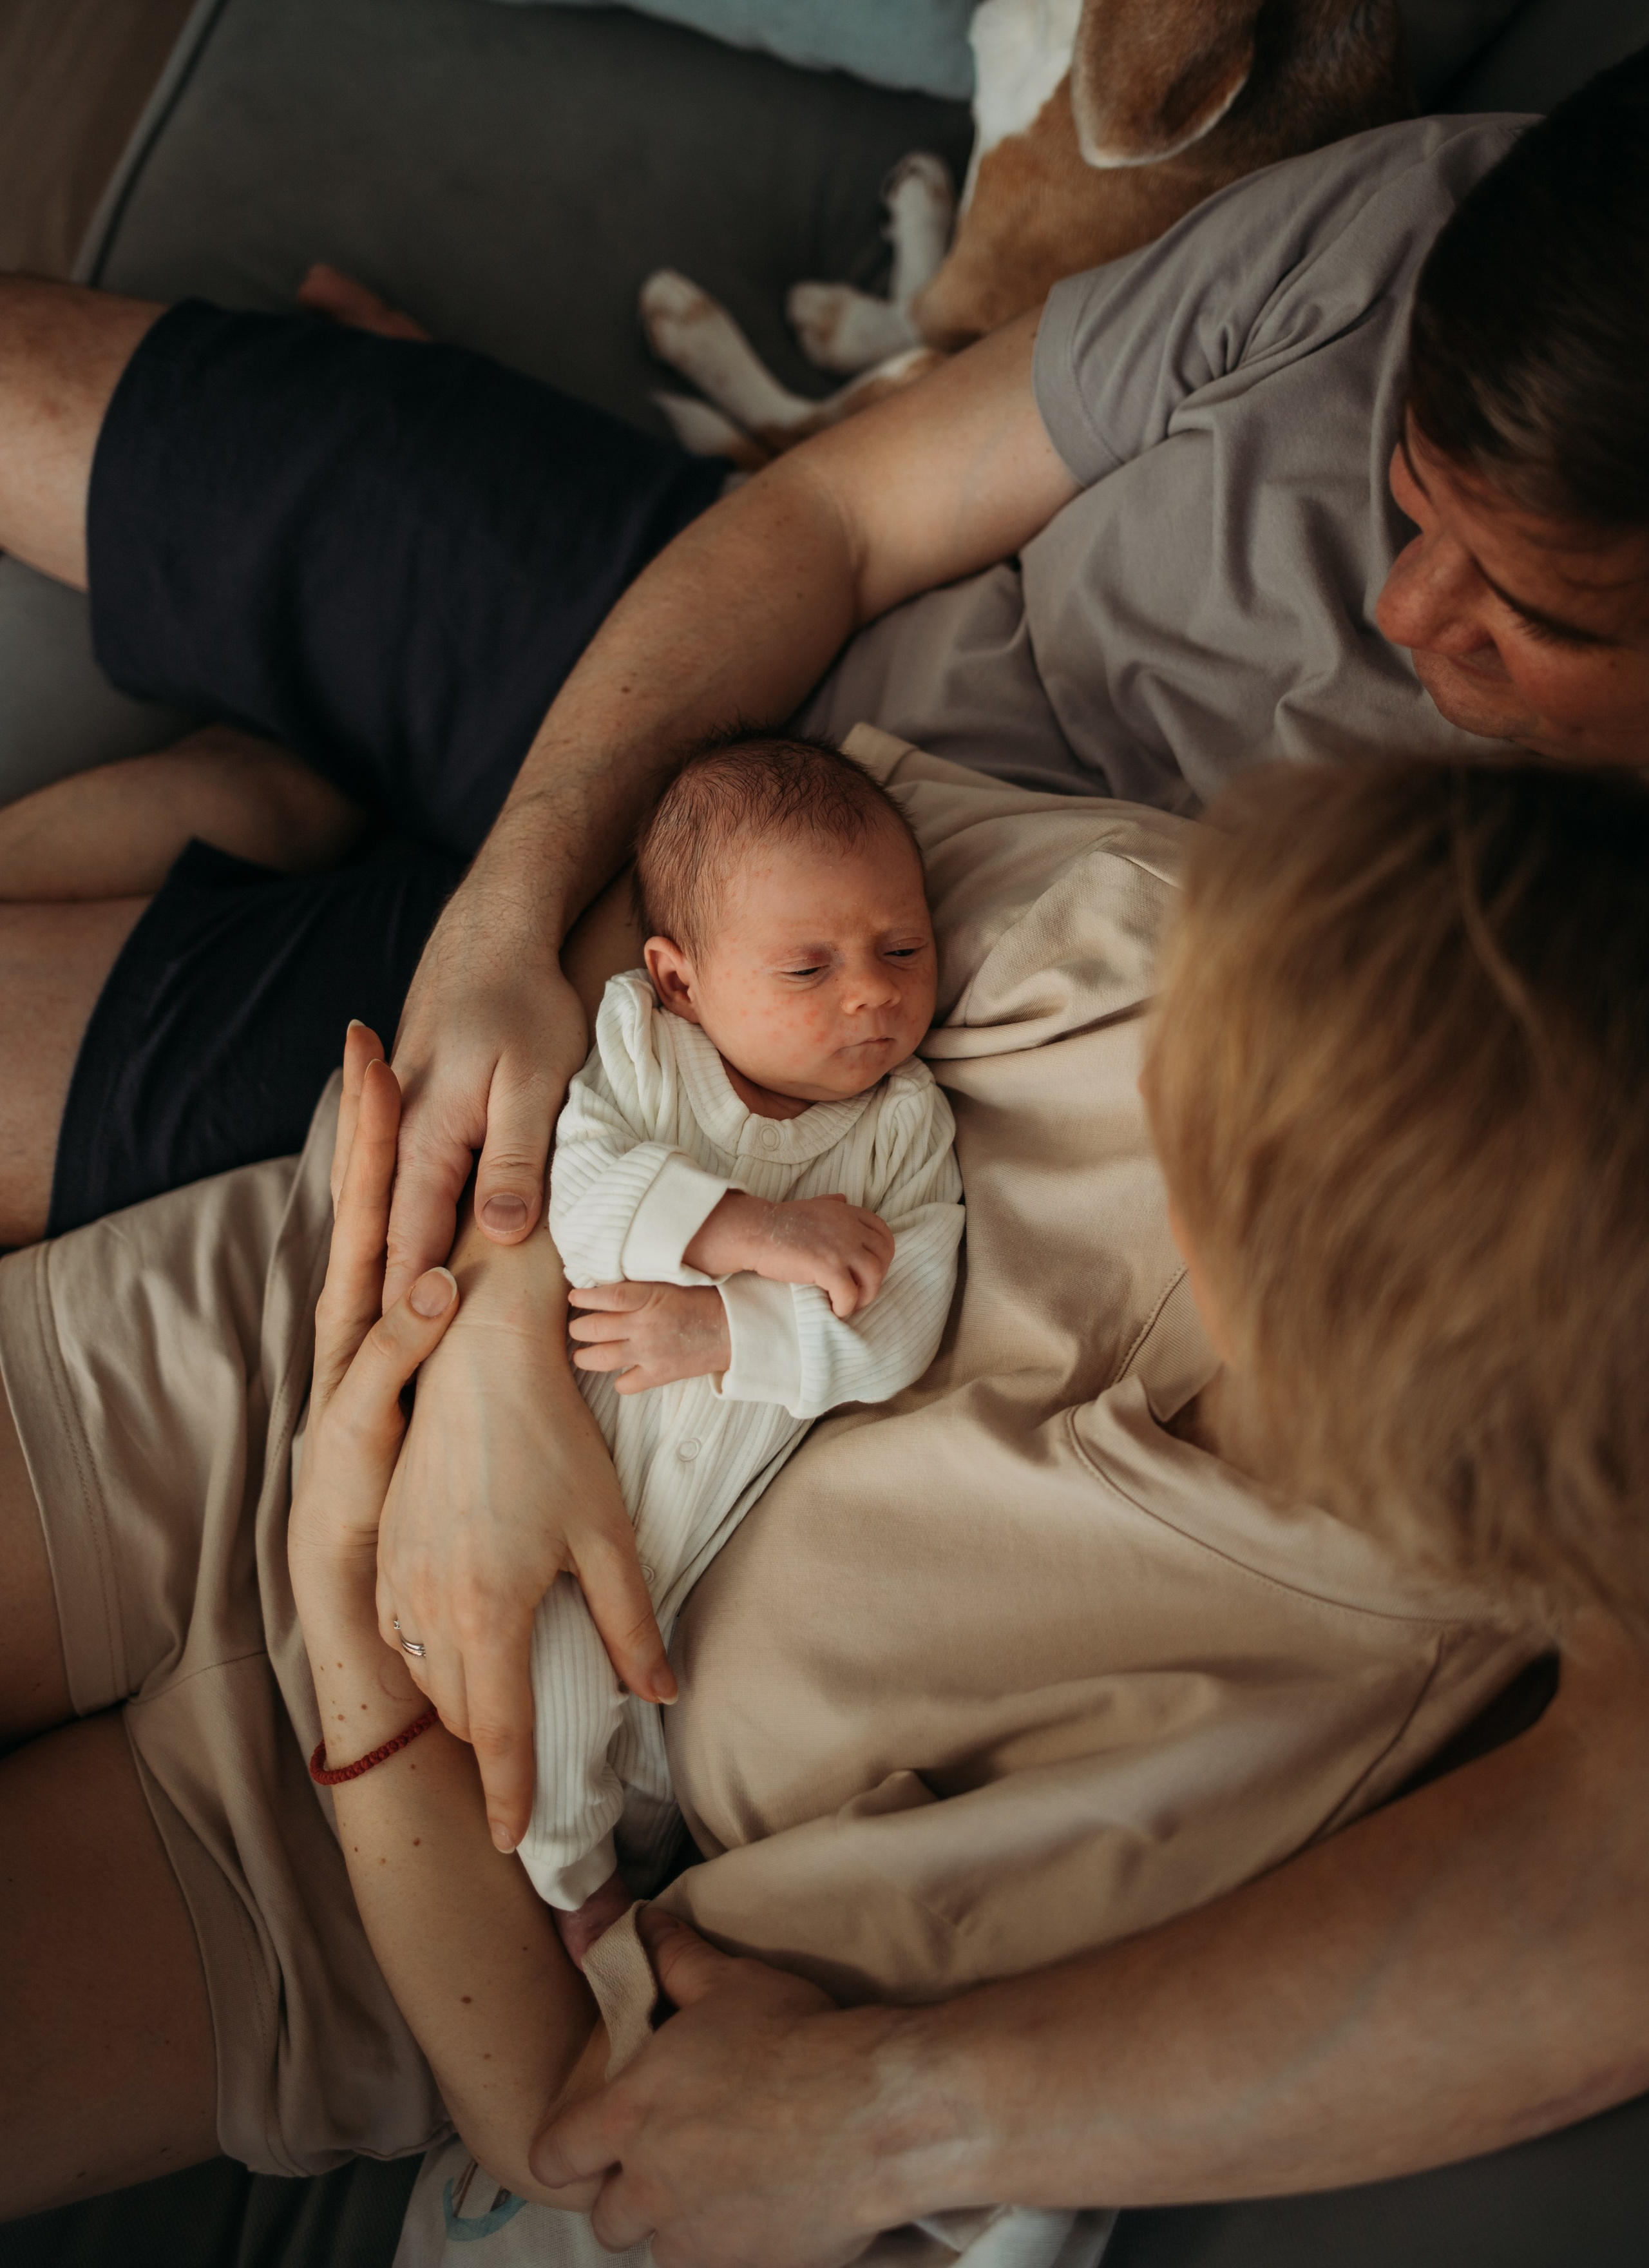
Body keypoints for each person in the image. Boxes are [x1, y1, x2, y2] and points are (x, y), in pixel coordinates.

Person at [0, 46, 1647, 2222]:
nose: (1392, 619)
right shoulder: (1175, 880)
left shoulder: (1334, 1608)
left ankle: (225, 823)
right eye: (1402, 504)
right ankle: (268, 819)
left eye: (1525, 611)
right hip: (640, 934)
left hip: (405, 1774)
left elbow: (608, 2089)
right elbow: (838, 517)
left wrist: (357, 1643)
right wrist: (513, 1145)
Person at [1, 748, 1643, 2268]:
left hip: (384, 1878)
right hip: (308, 1348)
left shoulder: (1240, 1740)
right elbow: (680, 902)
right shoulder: (1161, 942)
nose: (1183, 1038)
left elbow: (583, 2103)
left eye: (1233, 1077)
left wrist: (346, 1617)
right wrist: (498, 1320)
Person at [527, 730, 963, 1953]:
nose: (871, 994)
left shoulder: (901, 1131)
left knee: (672, 1752)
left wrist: (723, 1328)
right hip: (568, 1502)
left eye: (902, 949)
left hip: (719, 1548)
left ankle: (652, 1891)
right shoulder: (638, 1056)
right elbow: (580, 1197)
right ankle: (575, 1896)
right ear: (679, 981)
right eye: (807, 968)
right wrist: (742, 1228)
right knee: (559, 1691)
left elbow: (901, 1323)